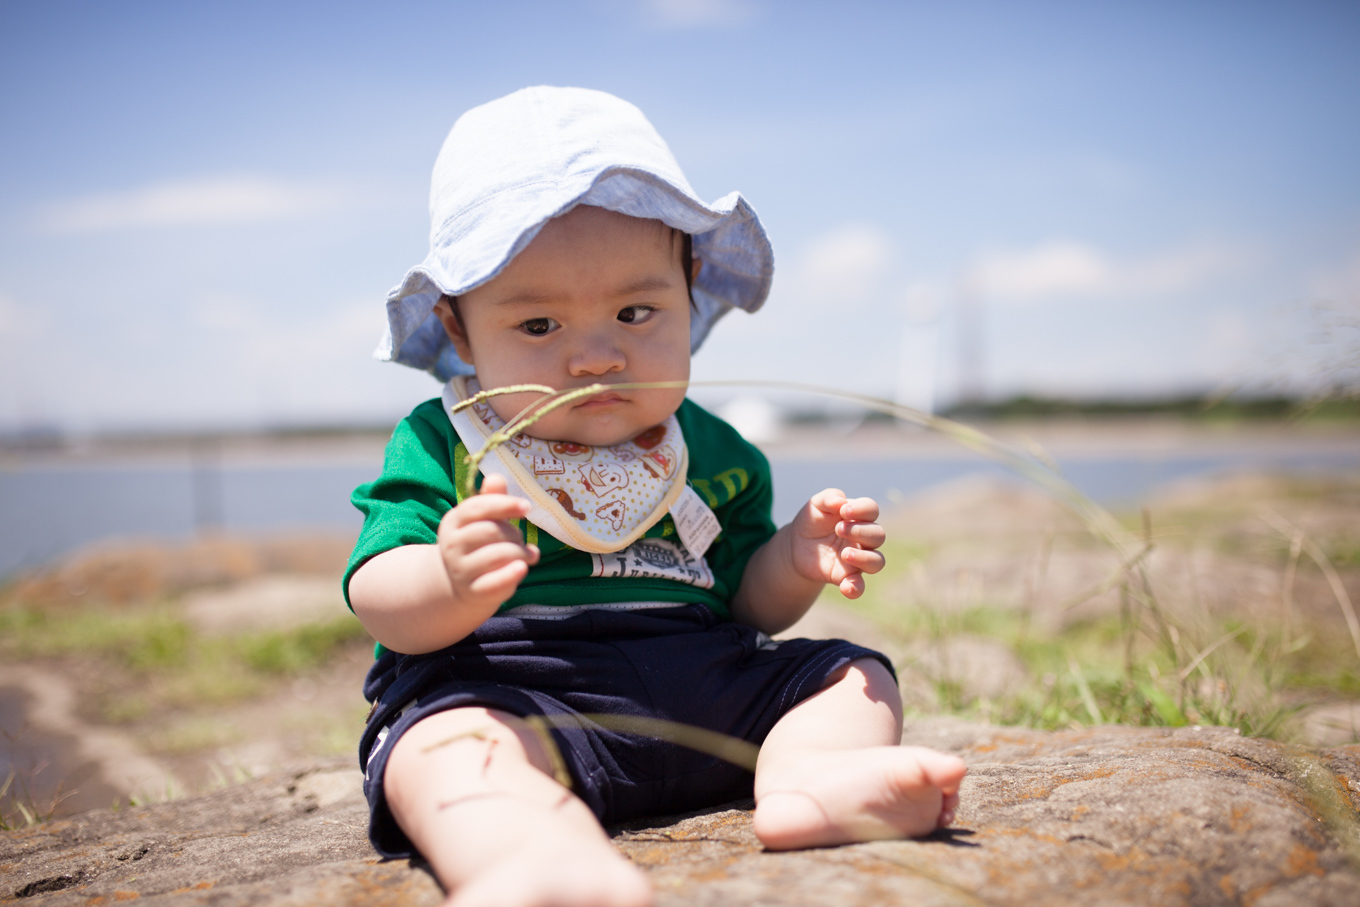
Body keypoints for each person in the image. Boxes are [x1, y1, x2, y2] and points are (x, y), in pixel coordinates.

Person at [345, 86, 967, 907]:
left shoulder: (710, 447)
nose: (598, 356)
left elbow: (747, 606)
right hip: (523, 690)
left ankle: (812, 779)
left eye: (636, 312)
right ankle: (528, 849)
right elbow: (377, 598)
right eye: (539, 327)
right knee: (446, 744)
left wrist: (793, 558)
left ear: (690, 287)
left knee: (848, 673)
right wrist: (448, 581)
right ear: (459, 329)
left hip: (705, 687)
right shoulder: (444, 440)